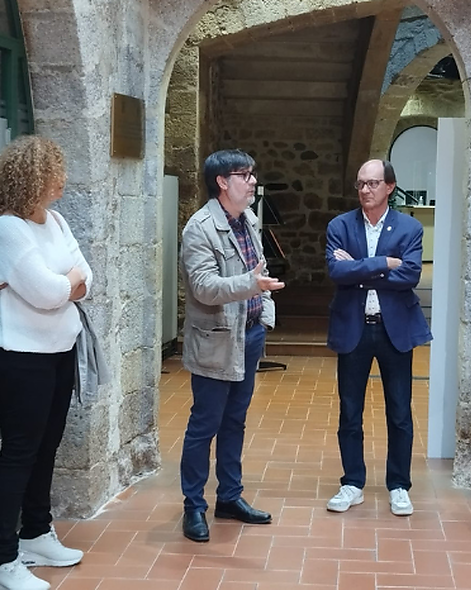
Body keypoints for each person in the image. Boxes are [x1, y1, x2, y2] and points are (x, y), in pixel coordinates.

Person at [0, 135, 90, 590]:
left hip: (58, 351)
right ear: (30, 178)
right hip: (16, 357)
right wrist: (64, 285)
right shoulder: (6, 229)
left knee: (46, 449)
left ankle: (36, 534)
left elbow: (88, 277)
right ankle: (4, 558)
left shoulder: (57, 221)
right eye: (53, 172)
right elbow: (51, 292)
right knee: (20, 453)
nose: (62, 180)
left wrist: (62, 285)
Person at [180, 149, 284, 542]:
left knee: (235, 421)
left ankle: (229, 497)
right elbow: (204, 288)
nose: (253, 181)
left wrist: (266, 312)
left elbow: (261, 269)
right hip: (215, 341)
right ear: (223, 182)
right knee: (204, 424)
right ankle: (193, 506)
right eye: (245, 175)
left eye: (253, 174)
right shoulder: (200, 228)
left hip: (249, 335)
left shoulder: (249, 220)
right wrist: (251, 286)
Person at [325, 159, 432, 517]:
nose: (365, 190)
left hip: (394, 329)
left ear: (390, 186)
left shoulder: (410, 227)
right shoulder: (340, 225)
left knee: (400, 411)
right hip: (354, 327)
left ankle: (399, 485)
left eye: (372, 183)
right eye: (360, 184)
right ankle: (352, 482)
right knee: (349, 410)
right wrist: (384, 263)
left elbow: (411, 276)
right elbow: (336, 272)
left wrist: (359, 268)